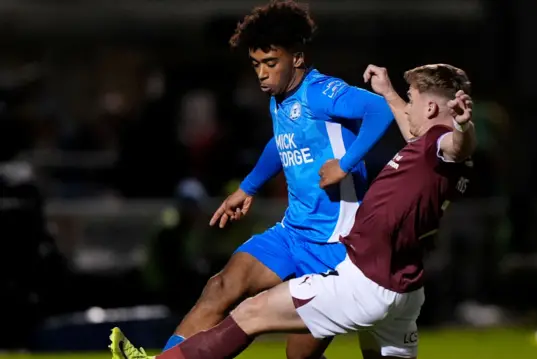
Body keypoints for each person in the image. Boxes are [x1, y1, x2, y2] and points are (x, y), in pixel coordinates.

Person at [109, 62, 476, 359]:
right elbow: (419, 130)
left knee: (253, 315)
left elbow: (455, 144)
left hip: (363, 281)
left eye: (411, 100)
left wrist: (463, 127)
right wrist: (391, 92)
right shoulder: (426, 145)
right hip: (404, 288)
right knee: (235, 295)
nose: (406, 107)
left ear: (430, 108)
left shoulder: (443, 144)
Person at [158, 1, 395, 358]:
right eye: (256, 65)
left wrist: (345, 163)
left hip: (338, 248)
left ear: (297, 58)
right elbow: (280, 143)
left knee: (299, 355)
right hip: (292, 233)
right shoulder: (279, 99)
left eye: (271, 63)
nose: (262, 74)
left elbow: (379, 109)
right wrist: (247, 187)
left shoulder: (322, 92)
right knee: (220, 286)